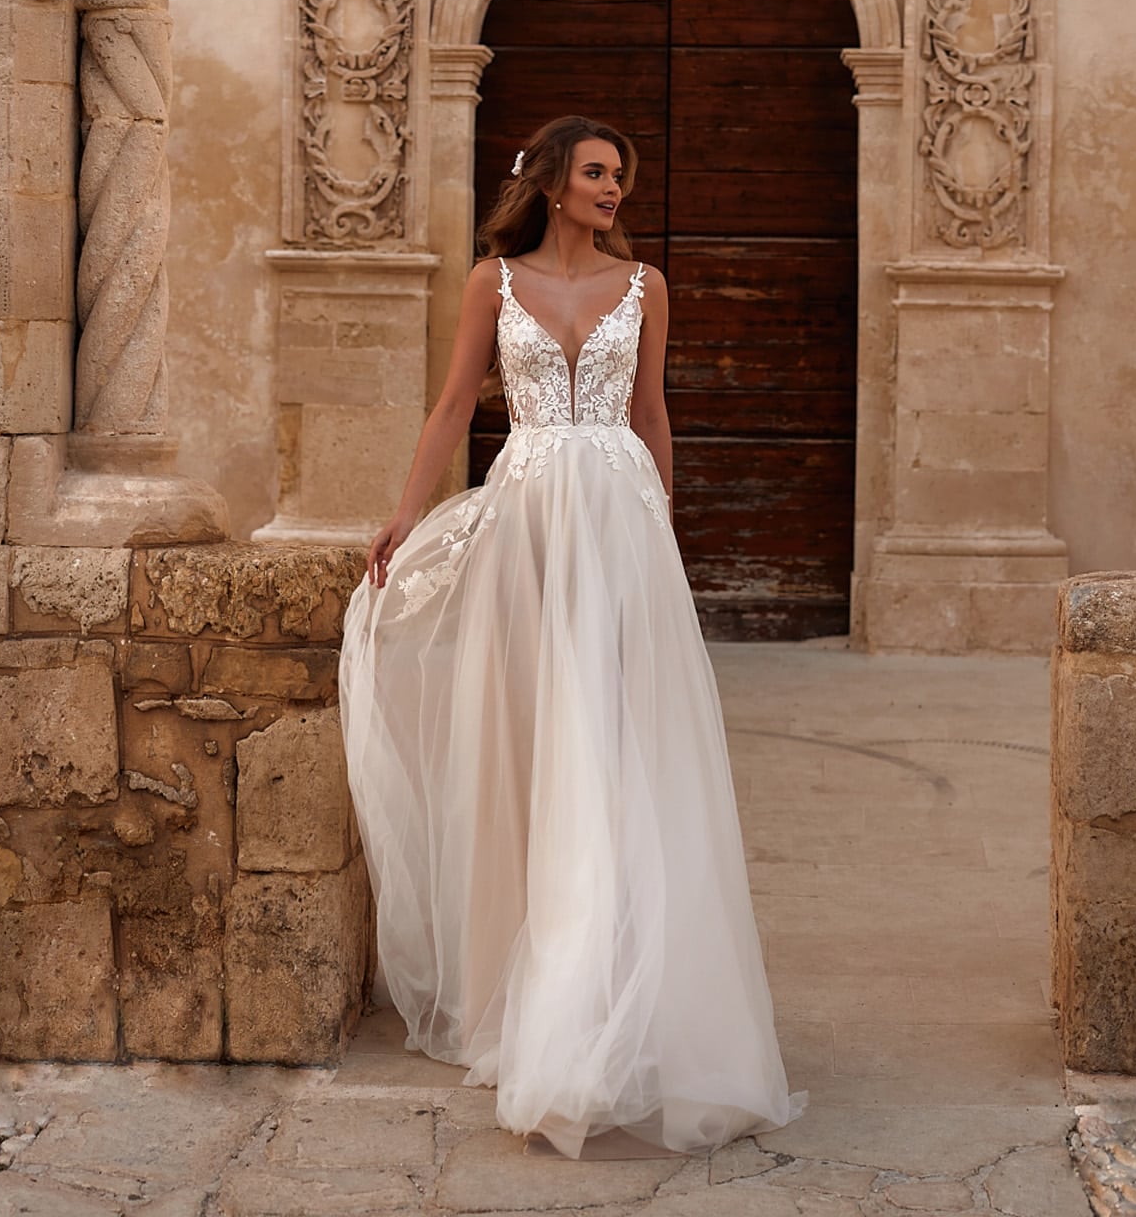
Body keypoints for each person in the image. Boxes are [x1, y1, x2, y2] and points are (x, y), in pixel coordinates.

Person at [339, 114, 805, 1157]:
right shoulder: (486, 283)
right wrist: (405, 514)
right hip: (526, 523)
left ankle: (614, 1004)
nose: (613, 190)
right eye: (596, 174)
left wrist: (662, 537)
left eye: (619, 177)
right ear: (550, 182)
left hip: (616, 523)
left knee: (615, 746)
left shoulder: (645, 289)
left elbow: (650, 415)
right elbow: (456, 404)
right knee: (536, 740)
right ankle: (544, 986)